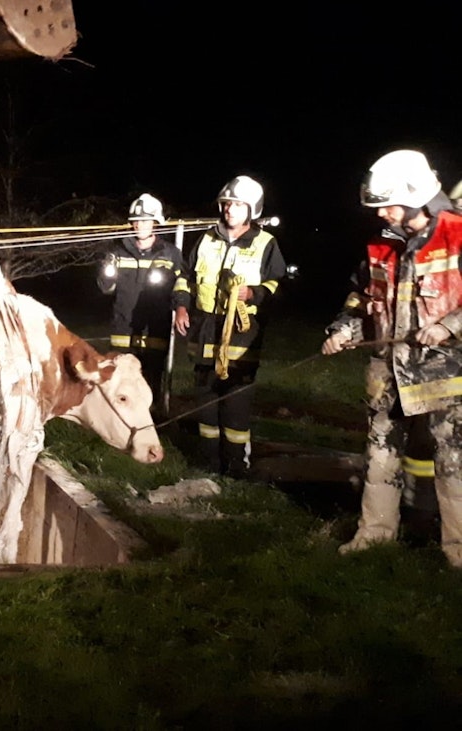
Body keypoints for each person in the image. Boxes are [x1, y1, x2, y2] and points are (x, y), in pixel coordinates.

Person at [321, 149, 462, 565]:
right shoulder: (379, 244)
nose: (381, 213)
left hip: (445, 372)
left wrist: (449, 325)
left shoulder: (456, 233)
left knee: (453, 463)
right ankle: (374, 535)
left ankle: (457, 551)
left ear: (416, 196)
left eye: (388, 205)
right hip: (387, 370)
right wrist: (343, 330)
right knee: (380, 456)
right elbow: (362, 299)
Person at [172, 175, 287, 477]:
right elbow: (185, 277)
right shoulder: (206, 239)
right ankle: (208, 462)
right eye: (226, 204)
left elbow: (278, 284)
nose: (229, 210)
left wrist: (255, 293)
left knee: (235, 403)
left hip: (241, 335)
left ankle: (236, 466)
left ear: (252, 209)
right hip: (204, 330)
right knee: (206, 402)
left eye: (237, 205)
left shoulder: (266, 244)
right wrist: (181, 306)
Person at [97, 193, 183, 408]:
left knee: (151, 379)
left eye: (145, 220)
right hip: (123, 328)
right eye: (135, 220)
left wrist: (182, 307)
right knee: (120, 383)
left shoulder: (170, 254)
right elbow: (106, 288)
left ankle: (153, 417)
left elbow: (181, 286)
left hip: (155, 328)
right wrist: (107, 272)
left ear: (155, 222)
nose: (139, 225)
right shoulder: (118, 252)